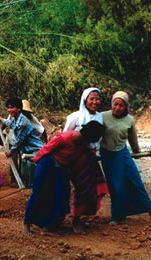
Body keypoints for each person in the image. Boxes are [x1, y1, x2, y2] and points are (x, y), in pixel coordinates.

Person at [23, 121, 106, 234]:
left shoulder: (83, 142)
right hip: (48, 165)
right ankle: (27, 223)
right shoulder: (65, 138)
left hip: (62, 169)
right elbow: (45, 150)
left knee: (61, 197)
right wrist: (37, 167)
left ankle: (49, 225)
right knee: (40, 193)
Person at [100, 91, 151, 225]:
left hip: (123, 153)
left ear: (126, 107)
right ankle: (118, 217)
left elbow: (132, 139)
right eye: (115, 104)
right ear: (111, 103)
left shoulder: (129, 120)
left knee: (136, 182)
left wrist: (137, 152)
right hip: (108, 155)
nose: (118, 108)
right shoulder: (102, 117)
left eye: (121, 105)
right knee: (116, 187)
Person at [63, 87, 108, 234]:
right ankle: (75, 221)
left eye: (97, 99)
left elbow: (98, 138)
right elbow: (65, 136)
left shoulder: (100, 117)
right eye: (91, 99)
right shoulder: (75, 117)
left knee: (96, 187)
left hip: (92, 156)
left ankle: (82, 217)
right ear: (85, 100)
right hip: (78, 156)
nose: (95, 102)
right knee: (82, 188)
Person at [0, 98, 44, 187]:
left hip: (34, 150)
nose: (9, 110)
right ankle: (25, 188)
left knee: (31, 173)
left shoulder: (23, 122)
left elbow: (19, 140)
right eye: (8, 108)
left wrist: (10, 151)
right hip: (25, 150)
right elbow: (11, 124)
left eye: (12, 108)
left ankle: (31, 190)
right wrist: (1, 119)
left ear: (18, 109)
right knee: (24, 173)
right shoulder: (15, 119)